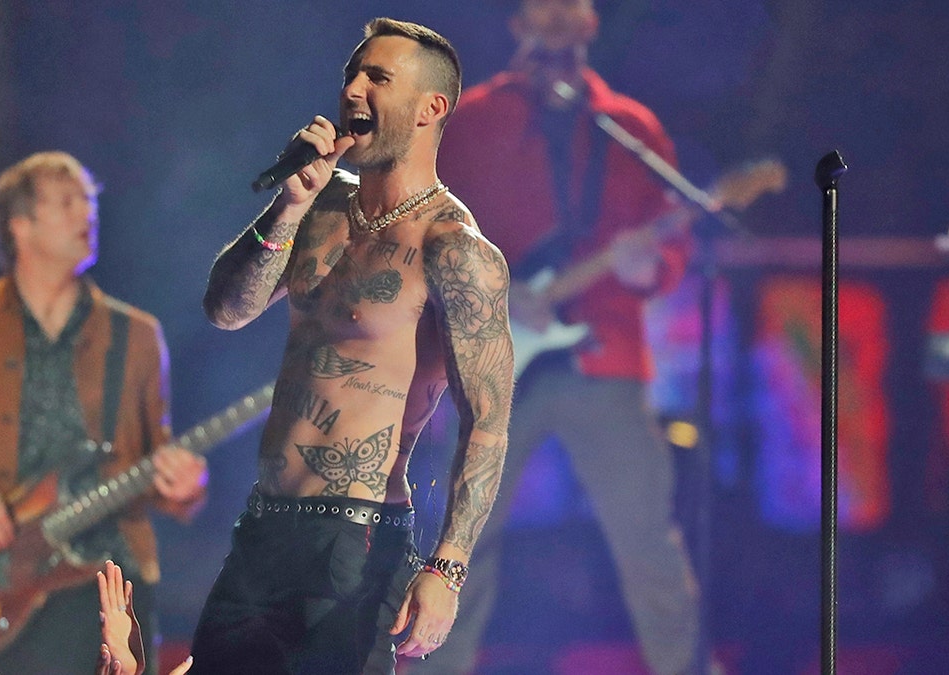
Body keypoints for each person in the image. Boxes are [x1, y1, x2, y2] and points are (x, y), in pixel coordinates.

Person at [194, 17, 514, 675]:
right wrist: (286, 208)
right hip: (262, 530)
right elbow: (225, 310)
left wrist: (447, 569)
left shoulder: (454, 248)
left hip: (357, 542)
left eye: (378, 77)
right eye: (352, 74)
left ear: (431, 108)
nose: (353, 89)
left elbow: (488, 423)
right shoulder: (317, 207)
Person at [408, 1, 705, 674]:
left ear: (591, 26)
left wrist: (649, 264)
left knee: (647, 540)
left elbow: (673, 242)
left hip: (606, 361)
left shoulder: (629, 128)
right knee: (458, 540)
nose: (558, 28)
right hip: (491, 362)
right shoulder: (471, 122)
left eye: (570, 15)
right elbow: (424, 237)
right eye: (543, 16)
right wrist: (496, 302)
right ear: (518, 27)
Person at [0, 151, 208, 675]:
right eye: (67, 201)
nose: (88, 213)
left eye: (90, 199)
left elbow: (155, 462)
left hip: (104, 582)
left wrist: (184, 487)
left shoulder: (137, 335)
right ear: (21, 226)